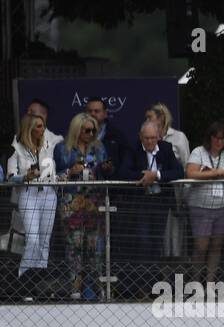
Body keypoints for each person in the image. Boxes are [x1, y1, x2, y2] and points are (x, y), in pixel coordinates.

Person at [119, 120, 184, 295]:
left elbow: (179, 171)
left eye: (152, 138)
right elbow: (124, 172)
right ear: (140, 137)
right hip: (141, 202)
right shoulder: (132, 149)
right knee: (143, 240)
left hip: (159, 201)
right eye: (146, 138)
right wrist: (143, 176)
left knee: (156, 242)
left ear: (158, 137)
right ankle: (140, 283)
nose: (149, 142)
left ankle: (153, 284)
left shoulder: (166, 148)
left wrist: (157, 175)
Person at [54, 112, 111, 300]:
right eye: (87, 130)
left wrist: (105, 169)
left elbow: (105, 172)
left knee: (95, 248)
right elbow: (55, 174)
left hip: (94, 203)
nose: (90, 133)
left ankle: (98, 288)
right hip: (72, 203)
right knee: (74, 246)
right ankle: (75, 289)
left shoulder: (99, 147)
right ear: (77, 130)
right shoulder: (63, 148)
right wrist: (71, 171)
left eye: (93, 130)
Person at [6, 113, 58, 297]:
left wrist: (59, 177)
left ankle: (39, 286)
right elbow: (10, 176)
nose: (42, 129)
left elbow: (52, 170)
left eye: (43, 126)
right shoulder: (17, 148)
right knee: (33, 240)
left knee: (44, 243)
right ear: (29, 128)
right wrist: (25, 177)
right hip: (28, 194)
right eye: (38, 126)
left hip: (49, 194)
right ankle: (23, 285)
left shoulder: (48, 146)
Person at [185, 121, 224, 285]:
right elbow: (190, 173)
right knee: (201, 246)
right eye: (216, 138)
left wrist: (220, 173)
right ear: (209, 138)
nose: (219, 142)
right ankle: (196, 283)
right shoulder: (198, 152)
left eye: (222, 138)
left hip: (223, 205)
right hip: (200, 206)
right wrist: (214, 174)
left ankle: (210, 283)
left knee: (217, 246)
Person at [143, 102, 190, 261]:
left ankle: (175, 281)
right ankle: (159, 279)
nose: (146, 120)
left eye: (150, 117)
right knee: (157, 241)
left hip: (176, 196)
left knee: (174, 241)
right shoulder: (146, 137)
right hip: (154, 198)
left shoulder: (178, 137)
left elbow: (186, 166)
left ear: (161, 118)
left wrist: (185, 196)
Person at [83, 97, 125, 173]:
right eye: (90, 111)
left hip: (106, 182)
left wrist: (109, 168)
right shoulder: (77, 134)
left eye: (96, 111)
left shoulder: (117, 135)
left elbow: (123, 165)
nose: (92, 114)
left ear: (105, 114)